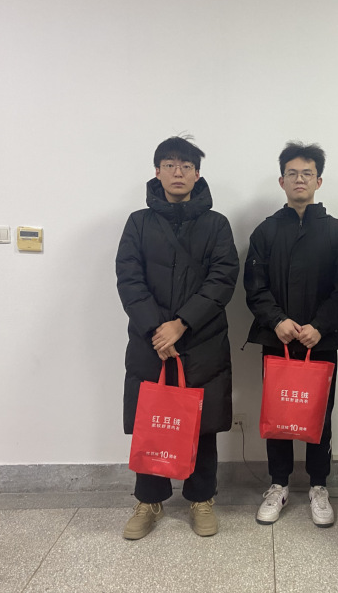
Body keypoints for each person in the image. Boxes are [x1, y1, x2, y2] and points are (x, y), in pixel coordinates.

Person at [116, 136, 239, 540]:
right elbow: (129, 279)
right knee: (152, 418)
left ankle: (201, 499)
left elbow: (223, 279)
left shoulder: (217, 224)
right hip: (151, 342)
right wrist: (158, 328)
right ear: (157, 172)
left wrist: (182, 323)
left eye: (186, 166)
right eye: (170, 165)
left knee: (201, 422)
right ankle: (148, 500)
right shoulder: (138, 222)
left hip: (202, 339)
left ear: (197, 174)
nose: (178, 173)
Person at [244, 141, 338, 528]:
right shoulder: (265, 231)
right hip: (277, 340)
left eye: (307, 173)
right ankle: (278, 484)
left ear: (318, 181)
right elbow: (254, 286)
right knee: (278, 414)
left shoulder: (336, 232)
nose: (299, 179)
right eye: (292, 173)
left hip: (319, 342)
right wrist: (277, 320)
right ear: (281, 181)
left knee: (318, 415)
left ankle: (318, 486)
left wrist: (320, 326)